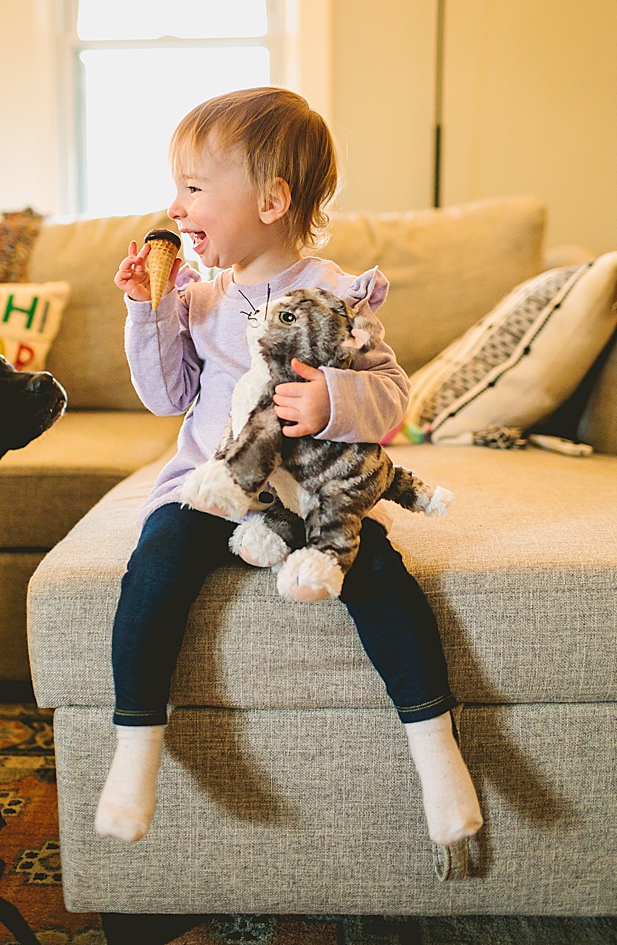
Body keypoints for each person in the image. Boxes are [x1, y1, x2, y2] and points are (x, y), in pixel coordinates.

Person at [94, 87, 483, 850]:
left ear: (272, 199)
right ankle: (135, 749)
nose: (175, 207)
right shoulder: (198, 299)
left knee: (378, 574)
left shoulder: (337, 294)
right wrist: (149, 310)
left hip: (309, 496)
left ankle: (436, 752)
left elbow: (392, 392)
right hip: (215, 484)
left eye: (195, 188)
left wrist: (332, 399)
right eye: (176, 188)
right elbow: (165, 395)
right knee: (154, 562)